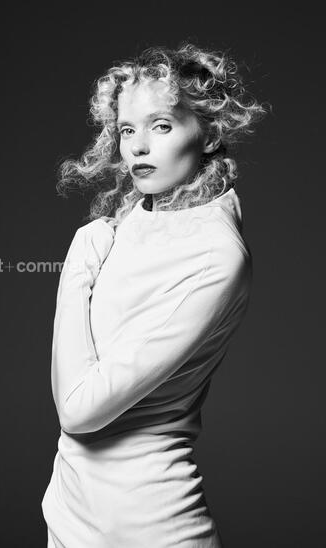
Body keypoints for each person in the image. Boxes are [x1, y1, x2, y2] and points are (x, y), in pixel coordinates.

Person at [41, 42, 267, 547]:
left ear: (209, 133)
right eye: (127, 130)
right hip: (70, 514)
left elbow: (78, 409)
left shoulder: (214, 255)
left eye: (161, 126)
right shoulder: (132, 222)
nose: (138, 147)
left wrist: (77, 269)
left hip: (149, 527)